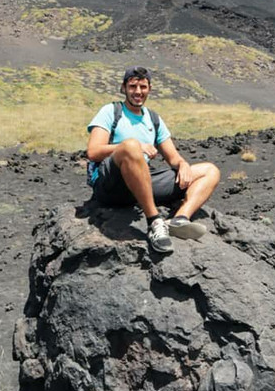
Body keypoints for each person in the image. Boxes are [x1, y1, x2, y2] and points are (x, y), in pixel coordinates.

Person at [86, 66, 221, 253]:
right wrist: (134, 146)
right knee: (131, 145)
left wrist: (182, 164)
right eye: (133, 86)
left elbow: (173, 157)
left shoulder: (153, 119)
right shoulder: (111, 111)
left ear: (149, 89)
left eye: (143, 87)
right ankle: (154, 222)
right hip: (111, 184)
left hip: (141, 183)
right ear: (123, 88)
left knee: (210, 171)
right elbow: (93, 152)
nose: (138, 92)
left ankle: (179, 220)